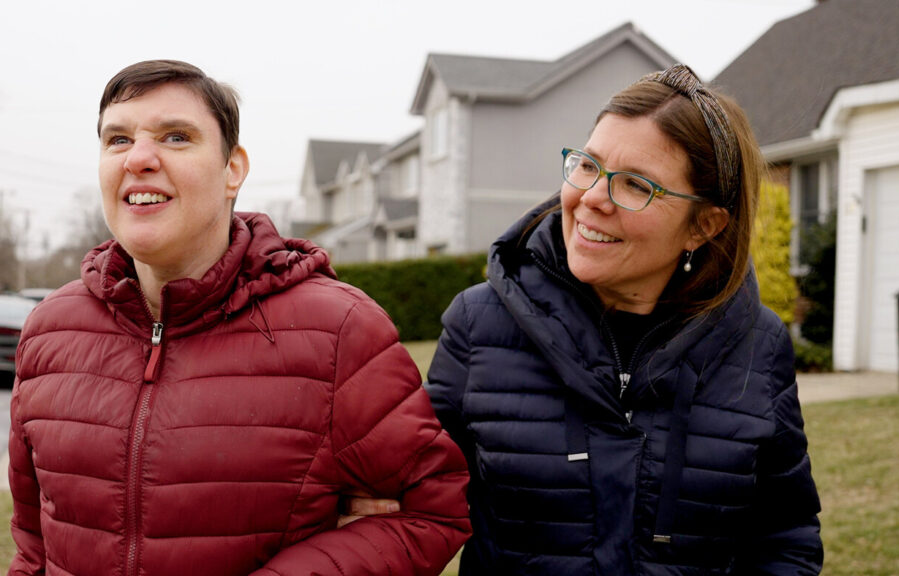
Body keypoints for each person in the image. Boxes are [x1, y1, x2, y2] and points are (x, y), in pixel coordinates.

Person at [349, 63, 824, 574]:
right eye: (587, 166)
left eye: (637, 185)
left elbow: (785, 539)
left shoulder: (758, 343)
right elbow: (409, 503)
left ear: (702, 226)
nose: (592, 198)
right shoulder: (480, 324)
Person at [6, 59, 470, 576]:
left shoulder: (338, 330)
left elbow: (433, 510)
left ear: (233, 170)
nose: (138, 157)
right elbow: (32, 542)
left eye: (176, 137)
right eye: (117, 139)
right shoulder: (49, 330)